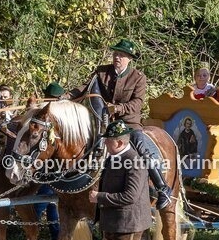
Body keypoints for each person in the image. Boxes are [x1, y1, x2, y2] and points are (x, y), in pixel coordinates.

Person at [61, 38, 173, 208]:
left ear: (129, 58)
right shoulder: (101, 72)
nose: (117, 57)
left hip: (128, 124)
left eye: (121, 55)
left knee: (141, 147)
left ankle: (162, 187)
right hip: (103, 123)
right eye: (115, 54)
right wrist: (67, 96)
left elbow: (138, 103)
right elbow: (83, 87)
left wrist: (118, 108)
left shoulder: (138, 78)